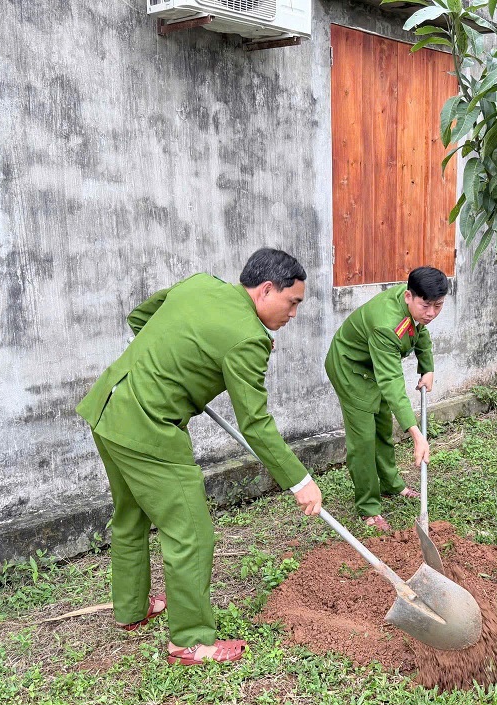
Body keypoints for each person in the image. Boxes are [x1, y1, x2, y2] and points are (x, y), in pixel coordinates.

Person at [76, 248, 323, 666]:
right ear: (266, 290)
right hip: (148, 429)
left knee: (131, 515)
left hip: (109, 407)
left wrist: (173, 361)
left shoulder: (201, 284)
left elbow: (139, 318)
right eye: (292, 302)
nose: (294, 313)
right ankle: (190, 642)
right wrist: (300, 481)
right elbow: (256, 424)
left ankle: (131, 609)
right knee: (190, 533)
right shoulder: (249, 338)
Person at [325, 266, 448, 532]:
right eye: (426, 306)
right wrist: (416, 434)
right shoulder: (386, 325)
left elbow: (419, 330)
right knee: (364, 439)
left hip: (375, 366)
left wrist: (427, 368)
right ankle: (369, 507)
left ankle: (392, 484)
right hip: (351, 369)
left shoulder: (414, 306)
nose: (431, 313)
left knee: (382, 425)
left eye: (438, 306)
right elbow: (392, 382)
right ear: (408, 296)